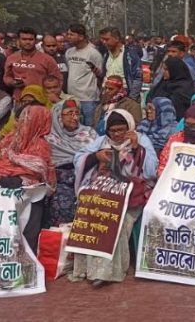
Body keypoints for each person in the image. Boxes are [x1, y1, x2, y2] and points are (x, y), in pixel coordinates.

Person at [72, 110, 158, 287]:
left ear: (129, 127)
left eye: (121, 130)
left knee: (117, 219)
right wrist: (96, 156)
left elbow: (151, 171)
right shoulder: (101, 142)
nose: (117, 134)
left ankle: (107, 272)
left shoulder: (141, 139)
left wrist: (136, 149)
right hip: (104, 190)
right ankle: (87, 268)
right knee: (89, 212)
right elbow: (79, 158)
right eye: (113, 131)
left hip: (132, 193)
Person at [0, 105, 55, 251]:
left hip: (28, 198)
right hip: (3, 192)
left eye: (26, 119)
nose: (20, 122)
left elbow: (31, 183)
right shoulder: (10, 140)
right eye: (21, 118)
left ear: (37, 122)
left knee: (24, 238)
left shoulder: (40, 147)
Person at [45, 99, 97, 226]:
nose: (75, 118)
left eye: (77, 113)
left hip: (86, 176)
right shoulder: (49, 137)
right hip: (59, 180)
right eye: (69, 113)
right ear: (58, 115)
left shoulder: (89, 133)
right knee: (62, 202)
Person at [3, 28, 62, 100]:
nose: (28, 42)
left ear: (35, 41)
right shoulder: (11, 58)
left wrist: (53, 97)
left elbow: (58, 80)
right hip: (18, 99)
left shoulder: (47, 59)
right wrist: (12, 82)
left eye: (31, 39)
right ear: (18, 40)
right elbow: (7, 76)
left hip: (40, 100)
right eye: (24, 39)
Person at [65, 23, 104, 126]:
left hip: (88, 99)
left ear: (81, 37)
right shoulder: (69, 52)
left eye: (71, 34)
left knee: (89, 128)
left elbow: (100, 74)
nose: (68, 37)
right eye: (68, 34)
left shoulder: (93, 53)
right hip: (72, 98)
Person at [100, 27, 142, 101]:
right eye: (102, 39)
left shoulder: (131, 55)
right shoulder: (106, 55)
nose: (104, 42)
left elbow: (137, 78)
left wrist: (131, 99)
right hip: (108, 97)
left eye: (106, 39)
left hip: (125, 97)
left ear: (116, 38)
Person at [146, 57, 195, 121]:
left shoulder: (183, 89)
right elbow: (150, 96)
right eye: (163, 69)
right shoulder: (163, 83)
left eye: (166, 69)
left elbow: (173, 106)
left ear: (174, 70)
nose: (163, 72)